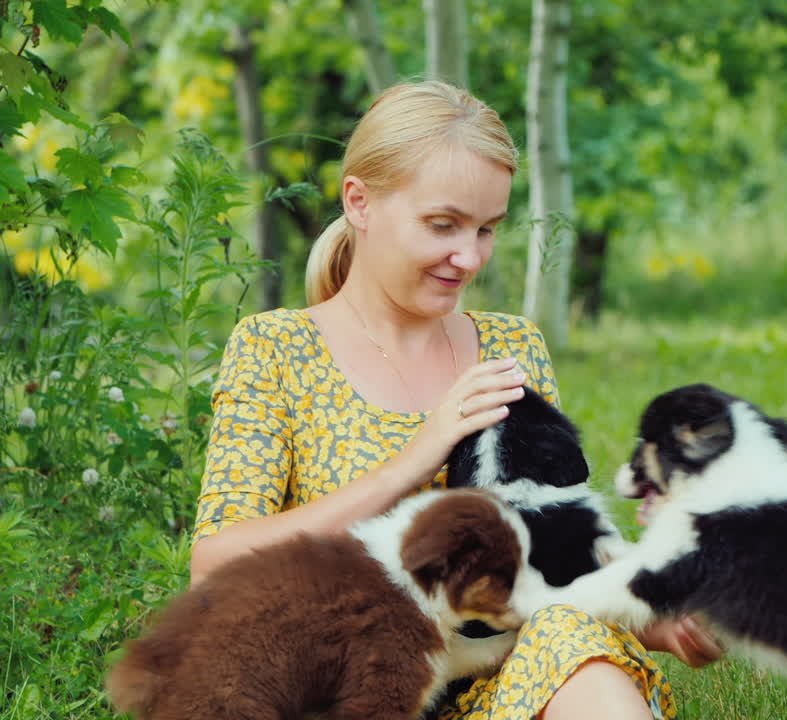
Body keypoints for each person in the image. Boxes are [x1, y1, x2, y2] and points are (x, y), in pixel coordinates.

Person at [191, 80, 722, 720]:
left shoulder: (509, 346)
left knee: (571, 638)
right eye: (442, 225)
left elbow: (555, 561)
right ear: (359, 201)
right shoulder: (277, 349)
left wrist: (655, 622)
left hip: (500, 685)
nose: (468, 257)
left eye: (487, 229)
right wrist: (412, 461)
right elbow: (214, 571)